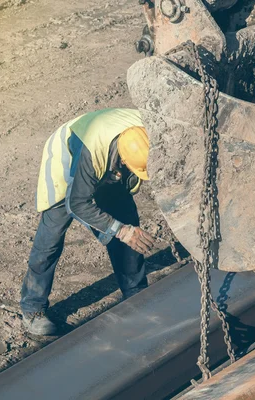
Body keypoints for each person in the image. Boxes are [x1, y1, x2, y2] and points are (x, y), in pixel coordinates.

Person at [20, 108, 156, 335]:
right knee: (50, 239)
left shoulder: (148, 132)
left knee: (129, 228)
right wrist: (119, 231)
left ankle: (136, 295)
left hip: (108, 165)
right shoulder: (91, 153)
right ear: (123, 159)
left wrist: (126, 229)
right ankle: (33, 307)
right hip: (67, 163)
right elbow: (77, 204)